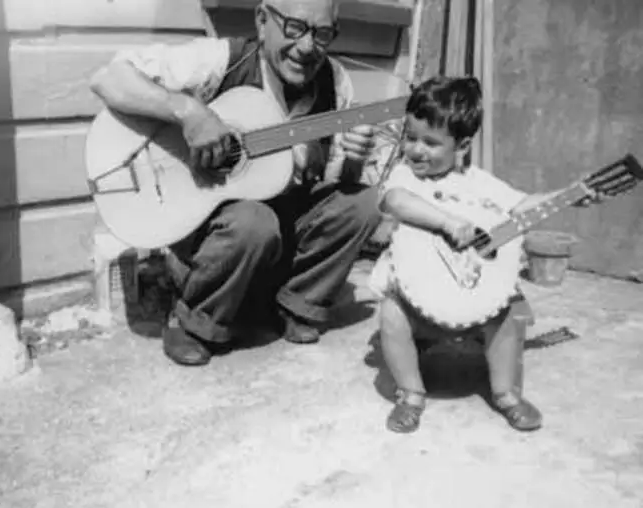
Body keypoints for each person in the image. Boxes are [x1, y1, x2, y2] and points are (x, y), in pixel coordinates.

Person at [89, 0, 382, 366]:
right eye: (294, 27)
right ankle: (193, 320)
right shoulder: (220, 60)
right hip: (212, 239)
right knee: (255, 222)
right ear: (262, 21)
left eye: (322, 34)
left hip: (278, 236)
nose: (307, 47)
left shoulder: (334, 82)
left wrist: (354, 158)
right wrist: (190, 113)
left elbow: (339, 191)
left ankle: (292, 305)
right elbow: (107, 78)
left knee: (365, 202)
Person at [369, 75, 601, 433]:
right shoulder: (406, 176)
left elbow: (522, 206)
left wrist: (569, 194)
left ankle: (506, 393)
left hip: (472, 294)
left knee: (506, 314)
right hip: (416, 299)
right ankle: (411, 393)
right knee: (390, 315)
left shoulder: (480, 184)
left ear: (461, 146)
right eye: (411, 137)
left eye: (431, 143)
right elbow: (396, 201)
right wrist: (447, 222)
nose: (416, 150)